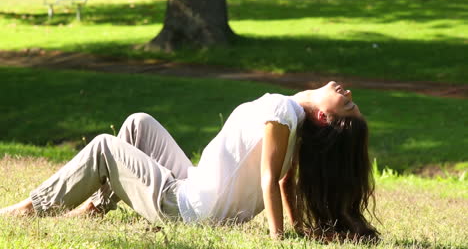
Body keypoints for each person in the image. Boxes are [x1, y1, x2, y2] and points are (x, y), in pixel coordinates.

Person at [0, 81, 379, 241]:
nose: (345, 91)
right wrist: (296, 228)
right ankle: (95, 208)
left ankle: (32, 208)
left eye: (346, 102)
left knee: (103, 146)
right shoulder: (293, 123)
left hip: (188, 207)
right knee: (138, 125)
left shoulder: (283, 111)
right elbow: (284, 182)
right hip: (197, 188)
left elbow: (269, 179)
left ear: (326, 118)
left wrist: (278, 239)